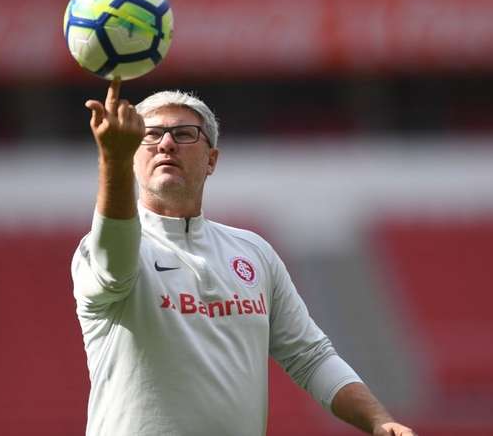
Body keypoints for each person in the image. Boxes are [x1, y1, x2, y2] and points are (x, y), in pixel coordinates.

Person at [71, 79, 416, 436]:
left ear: (211, 160)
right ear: (132, 155)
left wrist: (378, 420)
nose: (167, 143)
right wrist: (111, 158)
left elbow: (310, 357)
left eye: (184, 134)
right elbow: (113, 260)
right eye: (151, 134)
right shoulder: (100, 250)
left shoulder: (254, 253)